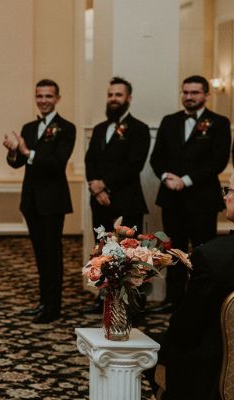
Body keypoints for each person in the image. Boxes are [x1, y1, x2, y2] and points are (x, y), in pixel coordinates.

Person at [149, 75, 232, 313]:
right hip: (171, 199)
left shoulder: (219, 122)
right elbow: (157, 158)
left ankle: (199, 302)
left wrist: (185, 181)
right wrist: (167, 177)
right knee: (172, 252)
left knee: (202, 254)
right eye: (185, 92)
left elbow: (217, 161)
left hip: (202, 201)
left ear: (207, 95)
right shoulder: (169, 121)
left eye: (194, 92)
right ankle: (173, 300)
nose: (189, 96)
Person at [3, 79, 76, 324]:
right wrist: (13, 151)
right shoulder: (29, 127)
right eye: (39, 96)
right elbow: (17, 163)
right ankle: (43, 302)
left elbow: (57, 164)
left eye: (48, 96)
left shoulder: (67, 128)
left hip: (53, 202)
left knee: (52, 255)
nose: (43, 100)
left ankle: (53, 307)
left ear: (57, 98)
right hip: (32, 202)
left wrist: (26, 152)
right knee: (40, 256)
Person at [156, 173, 234, 399]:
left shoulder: (212, 257)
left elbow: (185, 328)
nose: (225, 198)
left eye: (229, 191)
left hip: (217, 372)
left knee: (157, 349)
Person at [82, 77, 150, 314]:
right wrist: (94, 185)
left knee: (127, 255)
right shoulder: (100, 129)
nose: (113, 99)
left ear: (128, 98)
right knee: (101, 251)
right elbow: (90, 159)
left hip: (126, 201)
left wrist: (105, 185)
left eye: (118, 95)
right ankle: (104, 299)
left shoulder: (139, 129)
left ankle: (130, 304)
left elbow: (134, 165)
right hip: (100, 202)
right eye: (110, 94)